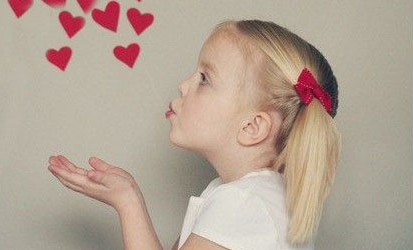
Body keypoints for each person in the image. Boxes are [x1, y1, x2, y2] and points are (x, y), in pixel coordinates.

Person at [48, 18, 342, 250]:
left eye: (204, 78)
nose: (183, 85)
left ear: (252, 127)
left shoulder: (243, 203)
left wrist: (128, 204)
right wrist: (129, 195)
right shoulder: (241, 195)